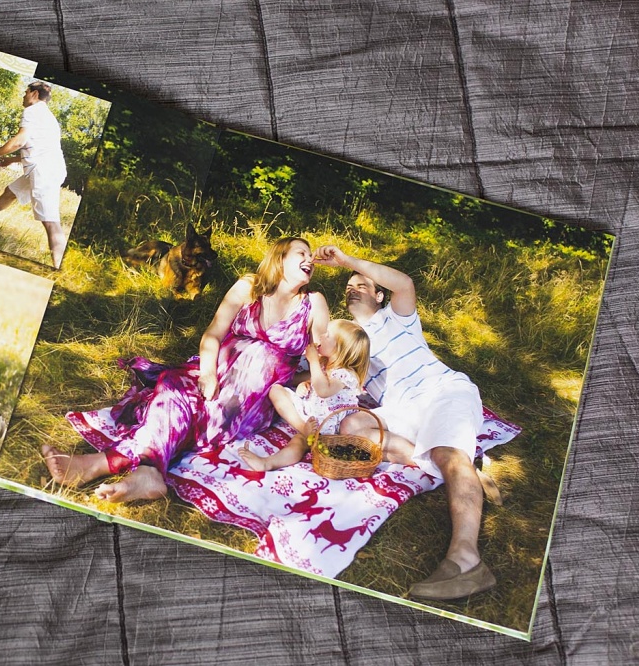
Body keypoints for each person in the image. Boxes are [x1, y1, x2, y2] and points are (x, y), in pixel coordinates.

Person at [44, 237, 334, 502]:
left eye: (310, 255)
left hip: (247, 400)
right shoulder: (249, 287)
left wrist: (296, 381)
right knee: (172, 386)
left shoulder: (313, 303)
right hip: (214, 371)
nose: (309, 259)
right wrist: (207, 374)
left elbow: (324, 359)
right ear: (279, 258)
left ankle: (99, 464)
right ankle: (145, 472)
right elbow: (213, 334)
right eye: (301, 253)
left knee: (201, 413)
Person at [312, 243, 495, 601]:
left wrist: (347, 262)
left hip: (441, 391)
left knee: (447, 452)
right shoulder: (348, 337)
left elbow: (405, 283)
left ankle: (467, 560)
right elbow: (319, 369)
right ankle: (462, 474)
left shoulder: (397, 317)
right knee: (350, 429)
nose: (353, 288)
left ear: (379, 295)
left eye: (362, 284)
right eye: (348, 286)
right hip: (399, 408)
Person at [237, 319, 369, 472]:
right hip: (311, 417)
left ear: (339, 349)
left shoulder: (345, 374)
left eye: (327, 335)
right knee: (276, 391)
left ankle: (272, 460)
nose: (322, 336)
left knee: (298, 443)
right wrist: (304, 385)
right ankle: (272, 459)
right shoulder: (324, 365)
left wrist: (313, 361)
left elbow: (323, 390)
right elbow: (312, 382)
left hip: (328, 424)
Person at [0, 81, 68, 268]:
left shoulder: (32, 111)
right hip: (47, 168)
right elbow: (39, 148)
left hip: (44, 172)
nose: (23, 96)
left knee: (50, 222)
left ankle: (60, 266)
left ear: (34, 94)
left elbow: (20, 141)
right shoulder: (48, 117)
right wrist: (12, 160)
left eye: (26, 92)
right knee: (11, 192)